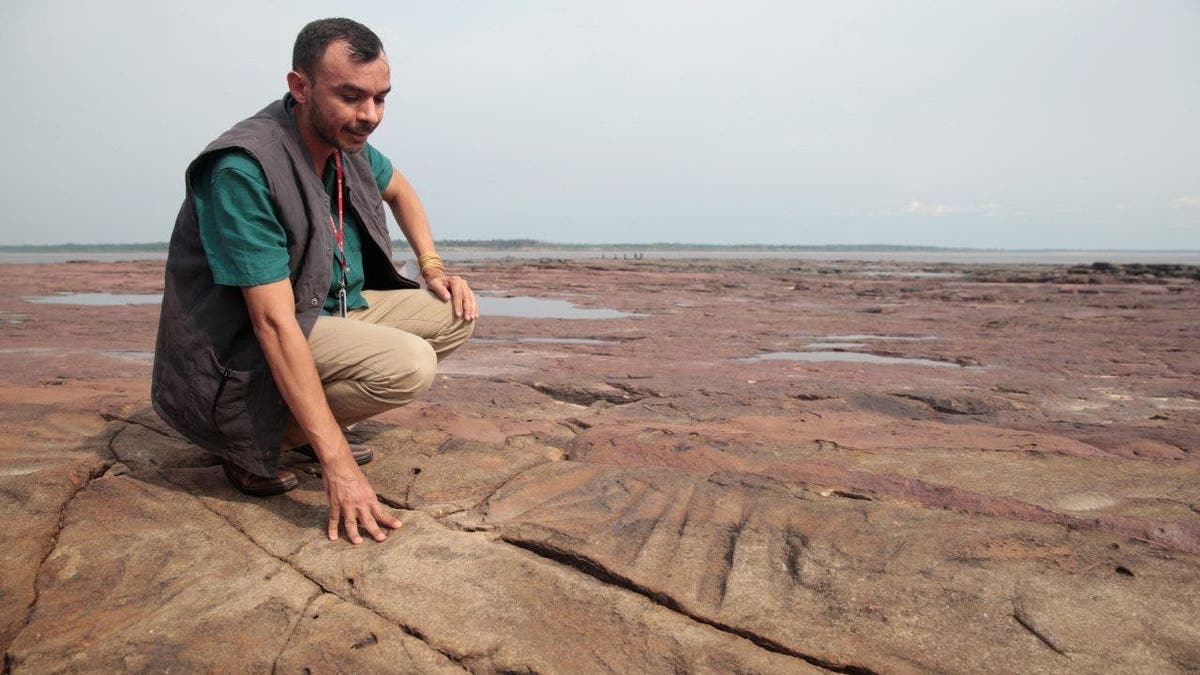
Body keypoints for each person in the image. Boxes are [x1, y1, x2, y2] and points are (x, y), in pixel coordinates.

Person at [152, 18, 476, 545]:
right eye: (351, 96)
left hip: (324, 309)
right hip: (246, 345)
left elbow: (401, 190)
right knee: (407, 366)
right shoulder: (244, 167)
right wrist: (340, 465)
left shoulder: (347, 141)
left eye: (380, 98)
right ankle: (250, 439)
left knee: (454, 315)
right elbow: (274, 324)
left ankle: (296, 425)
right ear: (299, 87)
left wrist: (433, 267)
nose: (369, 116)